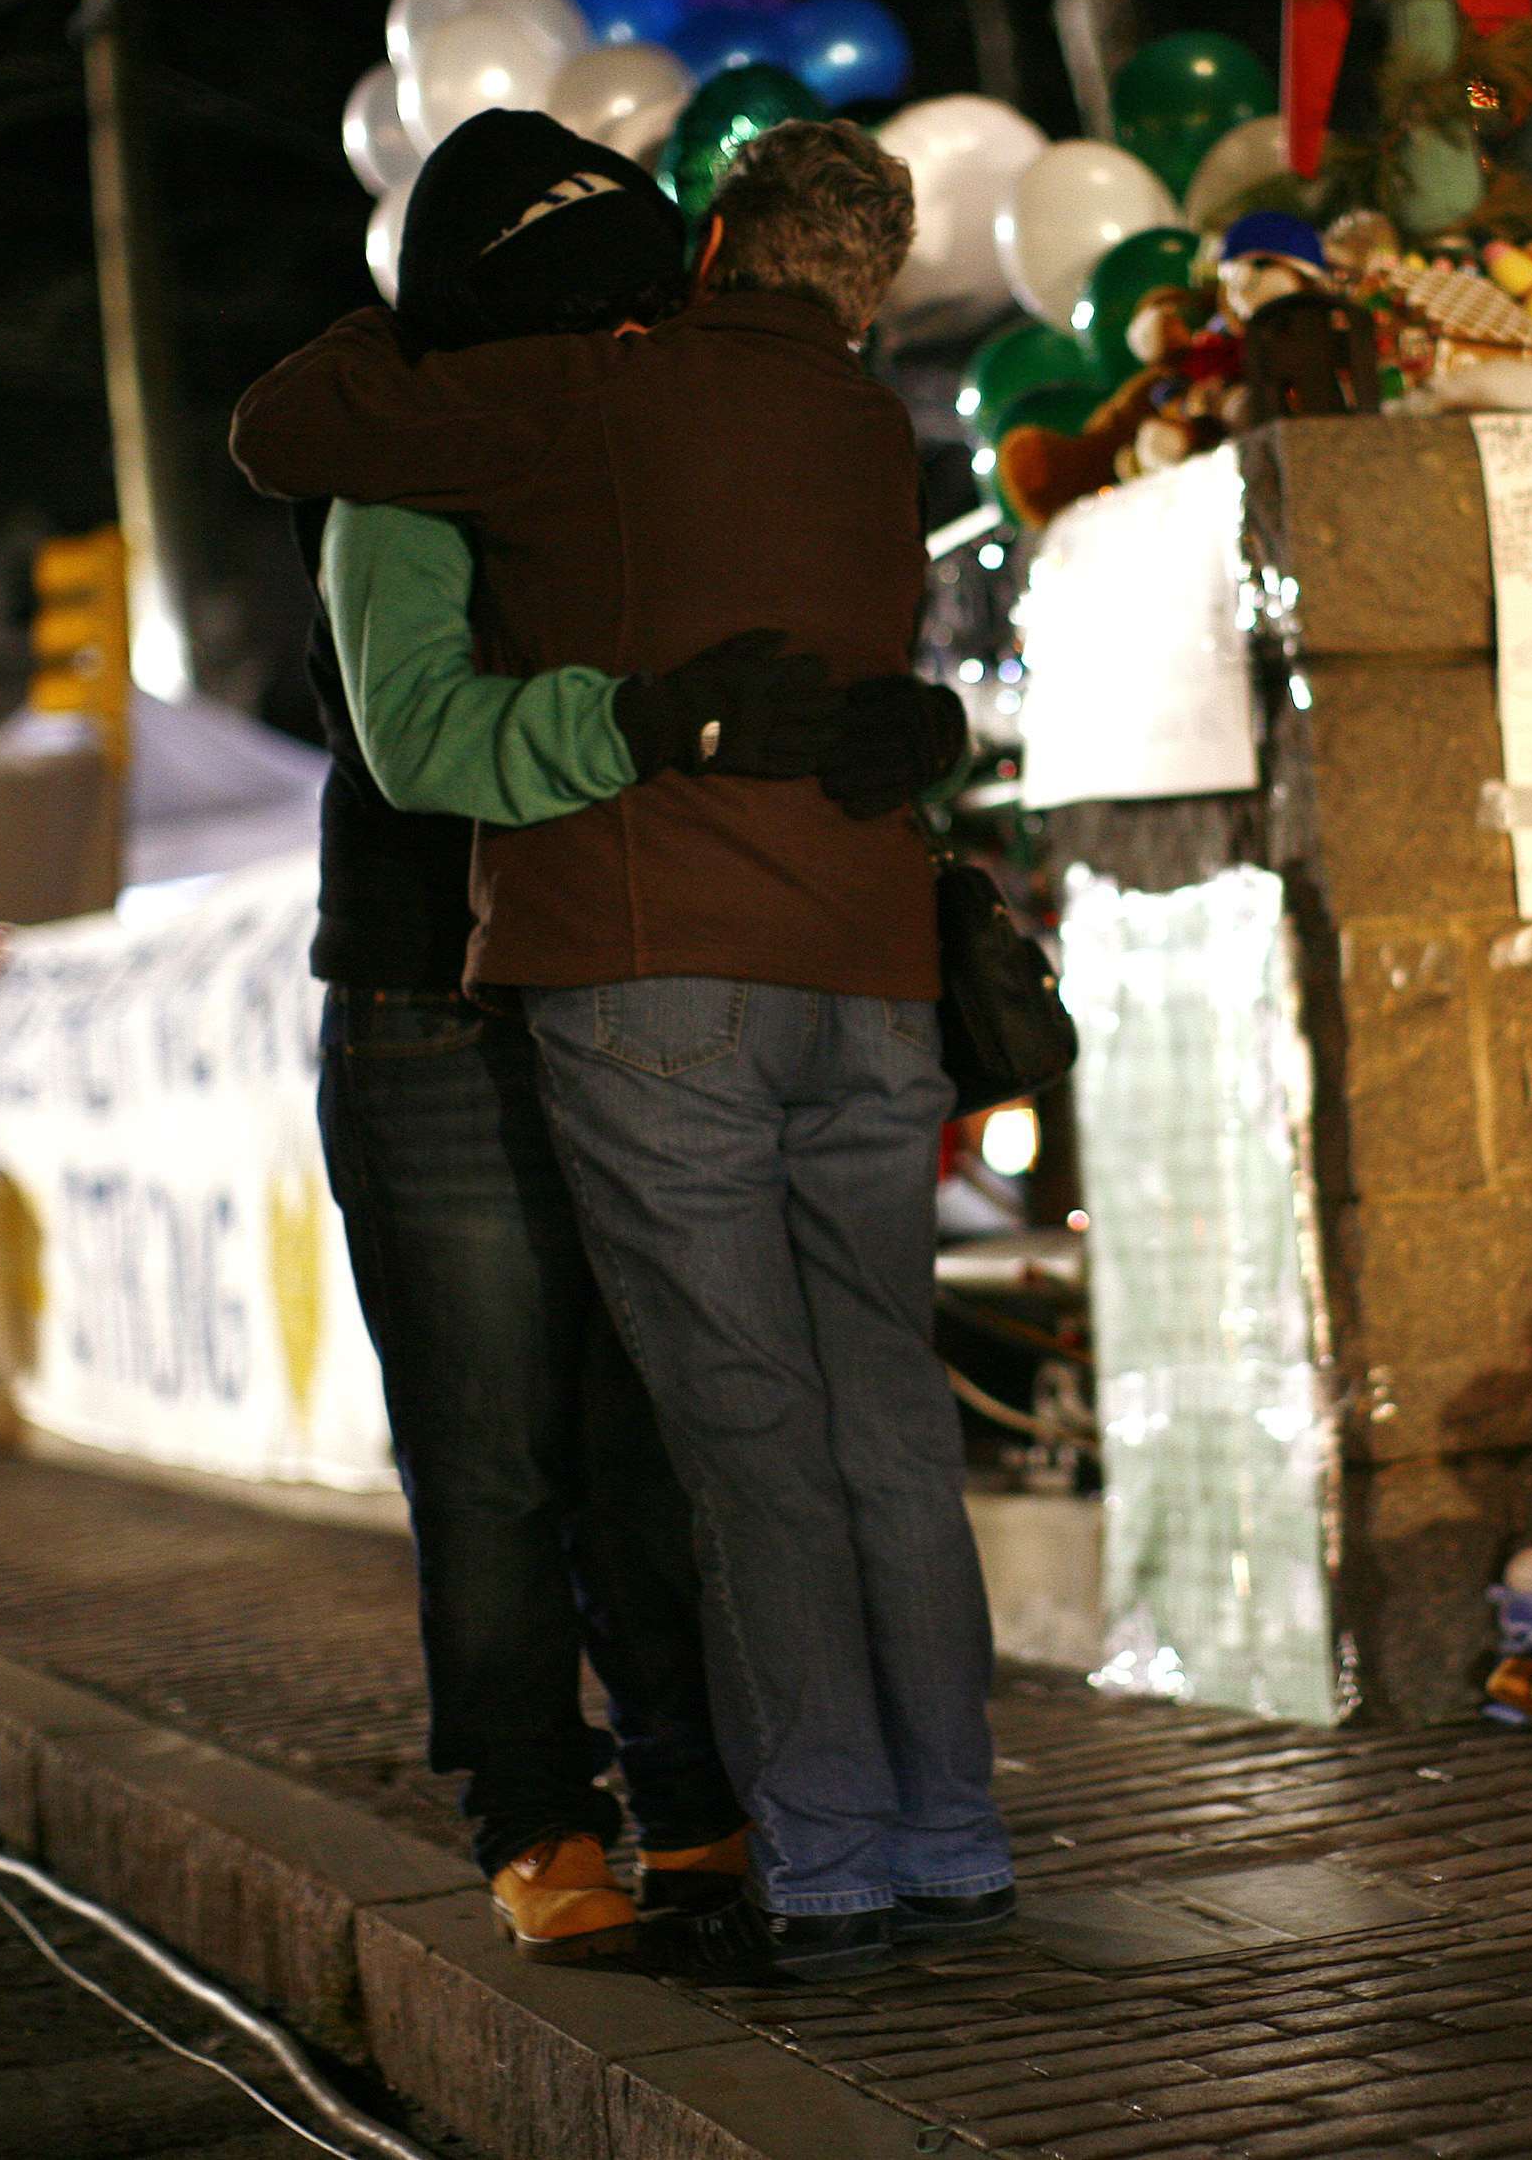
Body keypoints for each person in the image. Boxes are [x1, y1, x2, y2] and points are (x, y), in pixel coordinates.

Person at [233, 119, 1009, 1985]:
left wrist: (872, 724)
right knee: (504, 1452)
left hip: (624, 964)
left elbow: (785, 638)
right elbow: (420, 729)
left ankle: (724, 1798)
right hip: (443, 985)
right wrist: (667, 719)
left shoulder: (627, 411)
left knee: (677, 1424)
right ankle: (545, 1808)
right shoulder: (426, 447)